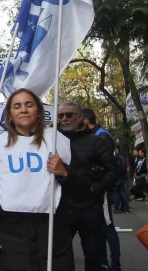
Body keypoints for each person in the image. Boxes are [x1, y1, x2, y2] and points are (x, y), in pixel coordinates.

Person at [0, 89, 91, 270]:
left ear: (39, 111)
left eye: (29, 105)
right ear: (10, 115)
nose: (23, 110)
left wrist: (64, 173)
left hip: (52, 234)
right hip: (8, 235)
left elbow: (84, 189)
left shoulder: (59, 142)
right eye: (17, 106)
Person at [58, 101, 117, 271]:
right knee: (60, 258)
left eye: (69, 115)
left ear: (80, 118)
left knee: (93, 258)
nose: (64, 119)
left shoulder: (95, 141)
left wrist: (95, 188)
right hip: (61, 211)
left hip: (89, 209)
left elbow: (113, 171)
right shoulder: (53, 141)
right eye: (61, 115)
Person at [81, 108, 121, 271]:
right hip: (96, 190)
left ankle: (114, 264)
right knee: (99, 228)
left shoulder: (101, 136)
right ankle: (103, 263)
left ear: (84, 120)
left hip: (102, 191)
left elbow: (108, 167)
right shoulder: (97, 135)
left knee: (107, 226)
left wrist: (98, 185)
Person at [112, 146, 130, 213]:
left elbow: (121, 167)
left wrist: (117, 174)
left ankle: (117, 207)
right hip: (122, 177)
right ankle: (124, 208)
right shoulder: (123, 157)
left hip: (119, 178)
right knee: (123, 193)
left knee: (116, 193)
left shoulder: (119, 157)